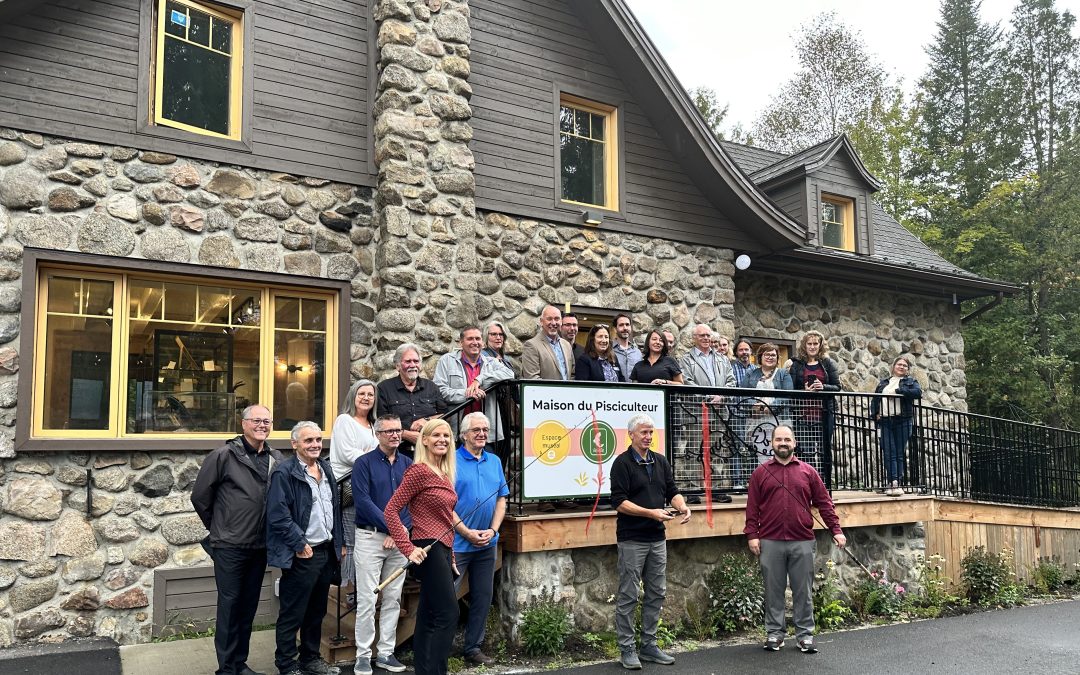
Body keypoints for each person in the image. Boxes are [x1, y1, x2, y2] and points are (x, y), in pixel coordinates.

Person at [192, 404, 284, 675]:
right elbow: (200, 497)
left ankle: (239, 663)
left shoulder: (275, 457)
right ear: (243, 424)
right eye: (256, 421)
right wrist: (220, 528)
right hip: (229, 546)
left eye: (267, 421)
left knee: (247, 608)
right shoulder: (223, 455)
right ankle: (227, 668)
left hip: (260, 545)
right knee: (230, 606)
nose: (262, 426)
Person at [744, 425, 845, 654]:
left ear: (794, 443)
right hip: (770, 541)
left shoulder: (808, 472)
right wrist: (752, 535)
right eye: (778, 439)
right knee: (773, 590)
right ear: (772, 443)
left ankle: (804, 635)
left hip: (802, 540)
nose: (783, 443)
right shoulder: (760, 473)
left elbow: (825, 503)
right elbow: (752, 509)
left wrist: (836, 529)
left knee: (803, 591)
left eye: (787, 439)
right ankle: (775, 634)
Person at [609, 414, 691, 670]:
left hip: (657, 538)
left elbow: (672, 490)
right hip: (632, 538)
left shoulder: (660, 461)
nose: (648, 437)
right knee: (629, 594)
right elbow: (619, 502)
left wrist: (683, 506)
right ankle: (627, 649)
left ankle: (649, 646)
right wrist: (651, 512)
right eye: (643, 432)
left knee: (657, 592)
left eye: (651, 432)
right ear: (631, 434)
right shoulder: (621, 464)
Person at [266, 421, 345, 675]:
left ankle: (310, 658)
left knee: (317, 611)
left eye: (318, 440)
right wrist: (299, 543)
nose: (314, 445)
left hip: (325, 550)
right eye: (308, 440)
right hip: (303, 553)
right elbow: (278, 515)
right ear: (295, 444)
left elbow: (335, 510)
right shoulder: (285, 472)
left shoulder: (325, 468)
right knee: (293, 612)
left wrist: (338, 543)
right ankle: (287, 664)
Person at [384, 419, 459, 675]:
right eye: (436, 435)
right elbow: (391, 510)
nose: (442, 440)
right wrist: (407, 547)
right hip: (427, 546)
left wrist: (451, 557)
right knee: (449, 613)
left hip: (443, 548)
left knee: (428, 615)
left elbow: (446, 519)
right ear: (424, 440)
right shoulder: (419, 471)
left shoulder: (444, 474)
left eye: (446, 435)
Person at [351, 414, 412, 675]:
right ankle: (363, 655)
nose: (396, 435)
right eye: (389, 431)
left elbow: (413, 502)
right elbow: (362, 501)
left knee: (393, 598)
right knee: (367, 599)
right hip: (370, 537)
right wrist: (393, 527)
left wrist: (398, 530)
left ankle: (386, 653)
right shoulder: (363, 464)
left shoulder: (408, 464)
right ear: (378, 434)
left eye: (398, 430)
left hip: (398, 541)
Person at [451, 413, 507, 666]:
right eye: (476, 430)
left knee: (482, 598)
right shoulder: (450, 460)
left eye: (485, 429)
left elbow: (501, 500)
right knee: (445, 598)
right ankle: (438, 647)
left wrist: (494, 531)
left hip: (487, 543)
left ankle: (473, 648)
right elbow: (444, 504)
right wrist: (466, 532)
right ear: (464, 435)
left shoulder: (494, 461)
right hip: (457, 544)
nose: (482, 433)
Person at [329, 379, 378, 595]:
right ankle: (349, 589)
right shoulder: (344, 421)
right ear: (353, 397)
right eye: (362, 394)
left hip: (368, 486)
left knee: (366, 538)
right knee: (350, 539)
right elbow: (347, 454)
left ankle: (364, 587)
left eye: (370, 394)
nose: (366, 398)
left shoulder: (373, 425)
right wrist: (374, 457)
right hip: (347, 487)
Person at [433, 325, 514, 438]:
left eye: (478, 338)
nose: (475, 342)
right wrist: (468, 394)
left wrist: (479, 379)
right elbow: (439, 392)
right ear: (461, 343)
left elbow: (510, 373)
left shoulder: (491, 362)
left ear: (483, 342)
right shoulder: (446, 361)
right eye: (470, 339)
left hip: (485, 432)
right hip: (457, 429)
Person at [788, 330, 841, 489]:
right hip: (803, 415)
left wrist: (822, 387)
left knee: (824, 450)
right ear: (804, 345)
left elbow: (838, 387)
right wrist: (803, 391)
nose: (812, 347)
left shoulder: (827, 363)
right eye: (809, 344)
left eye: (815, 343)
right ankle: (808, 484)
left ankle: (825, 485)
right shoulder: (797, 364)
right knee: (806, 451)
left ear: (820, 345)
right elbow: (791, 389)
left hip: (824, 414)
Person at [377, 343, 447, 457]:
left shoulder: (431, 386)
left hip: (429, 452)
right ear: (398, 366)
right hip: (397, 453)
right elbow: (381, 421)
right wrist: (405, 434)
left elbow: (445, 415)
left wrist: (427, 420)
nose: (413, 365)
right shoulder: (384, 388)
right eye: (408, 361)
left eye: (416, 361)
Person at [870, 356, 923, 497]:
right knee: (889, 452)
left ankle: (896, 482)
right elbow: (875, 399)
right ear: (893, 366)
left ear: (907, 369)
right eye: (899, 364)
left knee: (899, 453)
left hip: (903, 420)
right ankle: (893, 481)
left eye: (905, 365)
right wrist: (875, 414)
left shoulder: (911, 382)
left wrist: (899, 392)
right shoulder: (884, 383)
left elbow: (917, 393)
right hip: (885, 421)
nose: (901, 367)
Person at [743, 344, 795, 473]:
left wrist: (769, 407)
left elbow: (787, 394)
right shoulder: (751, 373)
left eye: (773, 355)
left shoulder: (783, 374)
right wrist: (754, 406)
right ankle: (766, 481)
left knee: (779, 451)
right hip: (757, 420)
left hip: (778, 420)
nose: (770, 357)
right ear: (760, 357)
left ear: (777, 358)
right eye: (767, 354)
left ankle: (780, 480)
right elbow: (743, 394)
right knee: (761, 453)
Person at [522, 305, 575, 380]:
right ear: (541, 321)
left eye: (557, 319)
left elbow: (572, 375)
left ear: (561, 321)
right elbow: (532, 379)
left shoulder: (567, 345)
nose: (553, 323)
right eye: (549, 319)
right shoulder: (531, 345)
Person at [678, 324, 736, 389]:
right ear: (694, 338)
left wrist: (721, 396)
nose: (706, 338)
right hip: (699, 399)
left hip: (721, 398)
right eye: (702, 335)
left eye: (708, 335)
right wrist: (706, 397)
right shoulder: (686, 360)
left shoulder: (723, 359)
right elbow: (687, 382)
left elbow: (731, 381)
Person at [612, 313, 643, 381]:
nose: (625, 328)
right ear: (615, 329)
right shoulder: (609, 350)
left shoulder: (637, 353)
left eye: (627, 324)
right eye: (621, 325)